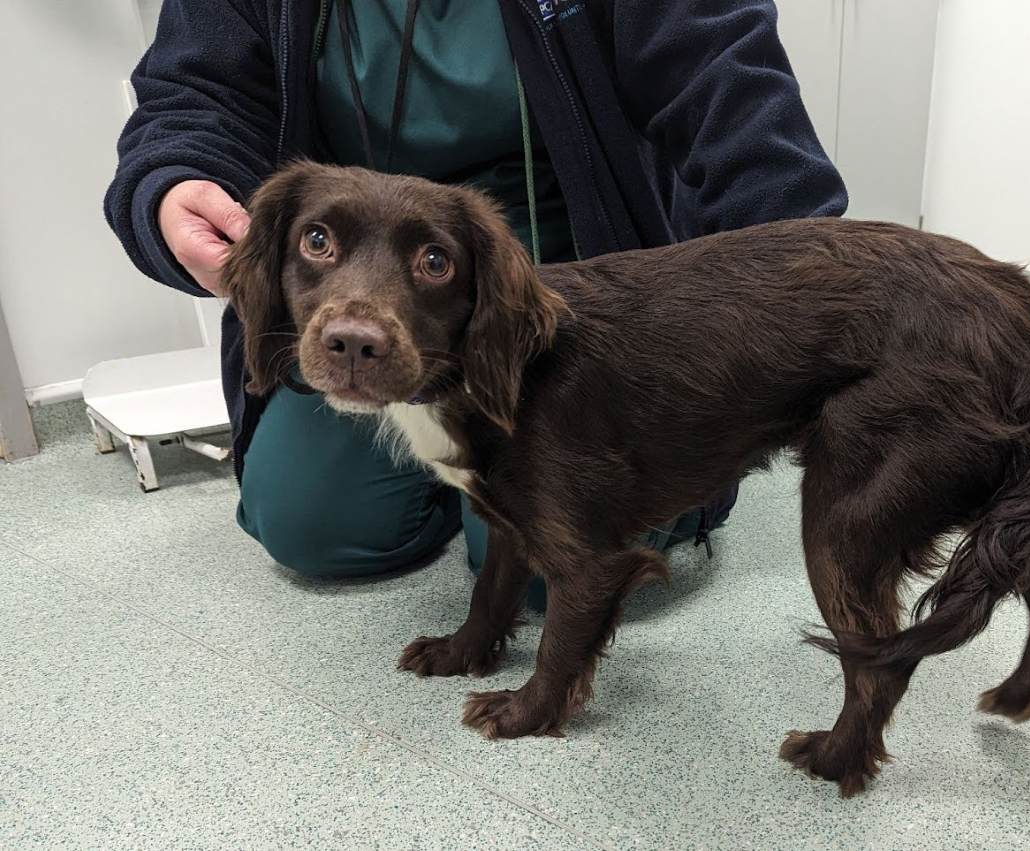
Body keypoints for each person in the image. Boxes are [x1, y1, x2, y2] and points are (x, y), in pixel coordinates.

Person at [104, 0, 847, 603]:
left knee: (548, 559)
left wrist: (801, 272)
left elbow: (726, 82)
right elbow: (195, 94)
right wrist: (172, 183)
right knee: (312, 526)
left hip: (570, 291)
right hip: (352, 298)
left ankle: (468, 482)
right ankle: (441, 479)